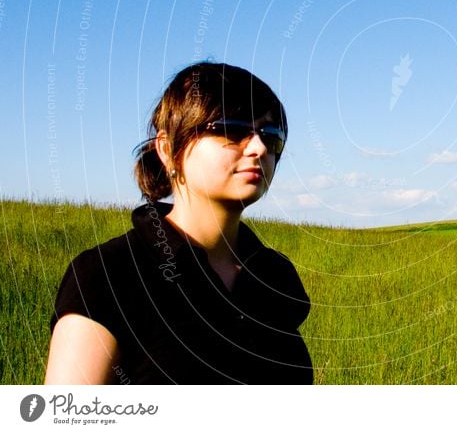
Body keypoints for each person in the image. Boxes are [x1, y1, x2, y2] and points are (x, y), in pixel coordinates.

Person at [44, 62, 313, 384]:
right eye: (232, 128)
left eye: (271, 135)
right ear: (168, 149)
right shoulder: (109, 272)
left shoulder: (273, 275)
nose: (258, 148)